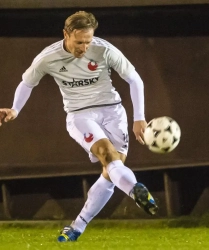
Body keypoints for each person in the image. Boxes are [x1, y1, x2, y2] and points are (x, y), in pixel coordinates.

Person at [0, 11, 158, 242]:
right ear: (66, 34)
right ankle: (135, 189)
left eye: (88, 41)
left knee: (111, 170)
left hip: (113, 111)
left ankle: (77, 226)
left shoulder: (104, 50)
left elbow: (135, 79)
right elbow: (27, 83)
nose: (84, 47)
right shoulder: (48, 57)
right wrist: (15, 109)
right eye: (79, 41)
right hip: (80, 115)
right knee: (107, 155)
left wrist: (139, 117)